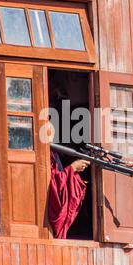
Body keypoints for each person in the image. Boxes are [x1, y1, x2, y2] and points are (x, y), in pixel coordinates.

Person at [48, 86, 90, 239]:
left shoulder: (54, 152)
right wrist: (72, 168)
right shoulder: (44, 155)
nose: (52, 126)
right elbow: (51, 186)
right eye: (49, 121)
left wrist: (74, 172)